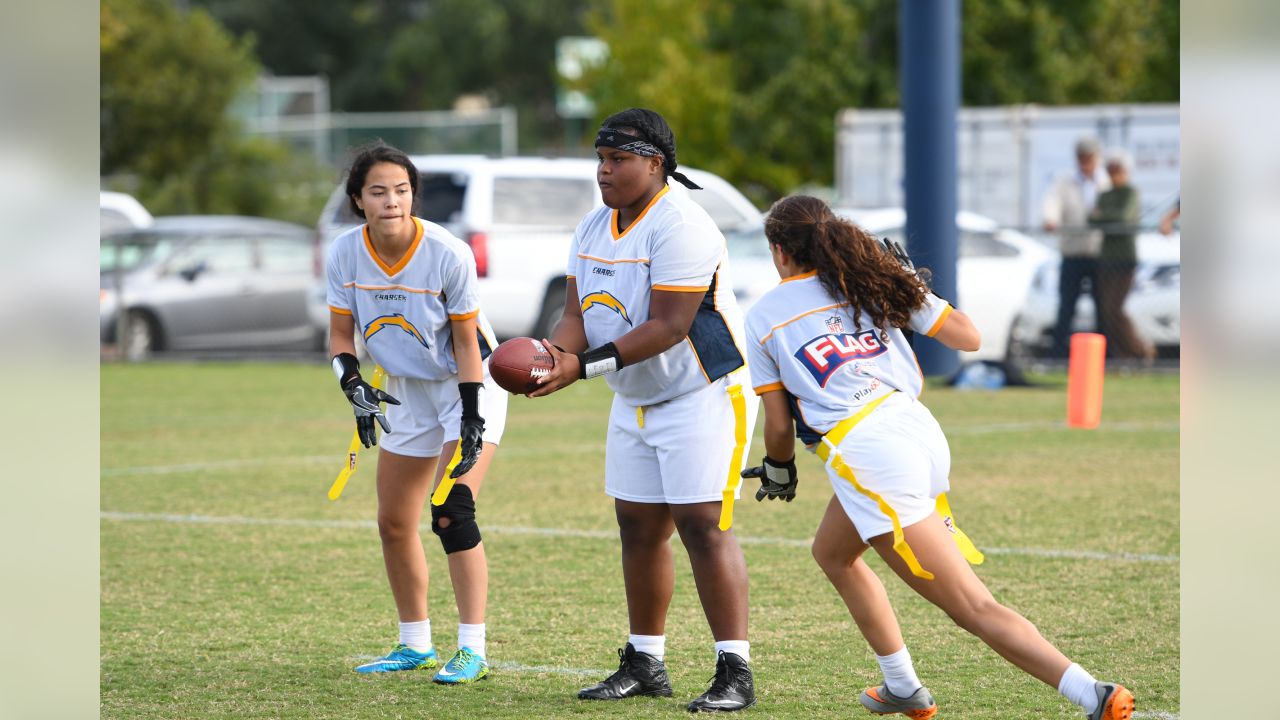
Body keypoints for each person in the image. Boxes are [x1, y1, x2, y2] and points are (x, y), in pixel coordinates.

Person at [741, 194, 1136, 720]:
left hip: (871, 455)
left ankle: (1094, 694)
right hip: (917, 432)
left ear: (778, 251)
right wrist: (911, 286)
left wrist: (779, 467)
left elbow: (776, 425)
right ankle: (901, 684)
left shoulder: (766, 312)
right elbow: (968, 338)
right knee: (833, 553)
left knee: (973, 606)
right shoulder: (867, 281)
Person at [529, 108, 760, 713]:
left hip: (700, 392)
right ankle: (645, 660)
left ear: (655, 164)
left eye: (618, 160)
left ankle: (734, 669)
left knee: (703, 527)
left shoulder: (683, 224)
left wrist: (580, 368)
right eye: (600, 160)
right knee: (636, 524)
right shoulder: (590, 227)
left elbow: (669, 325)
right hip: (635, 396)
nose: (604, 172)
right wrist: (553, 355)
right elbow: (578, 316)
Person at [326, 142, 508, 684]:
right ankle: (414, 644)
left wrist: (473, 416)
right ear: (358, 199)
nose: (392, 201)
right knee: (393, 521)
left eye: (402, 191)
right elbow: (340, 336)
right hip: (406, 389)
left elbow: (468, 342)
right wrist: (353, 385)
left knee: (452, 511)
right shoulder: (344, 253)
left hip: (466, 386)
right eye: (378, 191)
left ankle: (472, 649)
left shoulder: (447, 252)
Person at [1043, 137, 1110, 358]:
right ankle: (1059, 353)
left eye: (1089, 157)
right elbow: (1052, 202)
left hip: (1100, 253)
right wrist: (1050, 219)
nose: (1085, 162)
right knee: (1067, 305)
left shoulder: (1106, 182)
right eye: (1082, 158)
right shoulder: (1065, 181)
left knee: (1103, 305)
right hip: (1072, 253)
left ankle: (1105, 354)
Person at [1091, 151, 1155, 361]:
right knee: (1106, 310)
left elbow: (1123, 218)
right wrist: (1107, 219)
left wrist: (1104, 217)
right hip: (1106, 258)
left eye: (1117, 170)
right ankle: (1122, 354)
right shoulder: (1105, 194)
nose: (1114, 175)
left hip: (1125, 258)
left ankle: (1140, 349)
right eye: (1111, 170)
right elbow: (1091, 220)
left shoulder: (1130, 192)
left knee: (1116, 308)